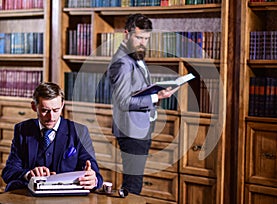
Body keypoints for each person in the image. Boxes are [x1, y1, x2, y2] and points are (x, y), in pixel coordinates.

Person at [107, 13, 178, 195]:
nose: (142, 42)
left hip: (139, 127)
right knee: (133, 185)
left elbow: (137, 90)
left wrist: (157, 92)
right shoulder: (122, 62)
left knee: (133, 182)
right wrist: (156, 98)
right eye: (138, 37)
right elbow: (123, 101)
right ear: (127, 34)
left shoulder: (135, 55)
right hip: (131, 131)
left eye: (146, 38)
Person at [1, 82, 103, 192]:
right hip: (30, 197)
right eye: (45, 110)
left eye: (56, 110)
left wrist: (93, 180)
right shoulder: (22, 130)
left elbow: (96, 175)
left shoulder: (79, 132)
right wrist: (28, 174)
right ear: (34, 107)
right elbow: (9, 172)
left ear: (62, 105)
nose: (51, 117)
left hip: (67, 198)